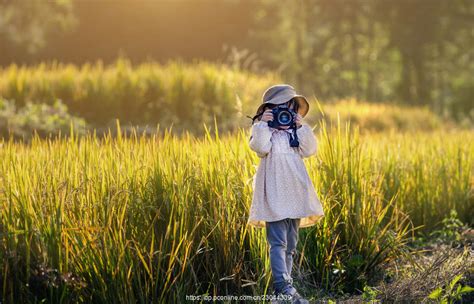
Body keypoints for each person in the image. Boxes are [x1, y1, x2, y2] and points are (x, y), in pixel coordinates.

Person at [247, 84, 325, 304]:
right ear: (269, 108)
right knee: (277, 242)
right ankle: (283, 288)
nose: (284, 110)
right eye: (278, 106)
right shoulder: (263, 130)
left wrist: (301, 127)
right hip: (274, 193)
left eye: (288, 105)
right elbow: (260, 148)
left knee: (290, 244)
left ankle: (284, 292)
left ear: (293, 107)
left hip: (296, 192)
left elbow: (310, 151)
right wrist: (264, 124)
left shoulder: (294, 130)